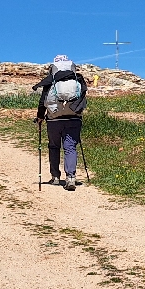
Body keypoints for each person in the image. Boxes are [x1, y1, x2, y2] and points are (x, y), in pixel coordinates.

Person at [33, 55, 88, 191]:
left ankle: (56, 177)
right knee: (70, 147)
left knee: (54, 146)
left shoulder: (51, 80)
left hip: (54, 119)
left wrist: (40, 117)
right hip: (73, 119)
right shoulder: (77, 79)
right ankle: (70, 177)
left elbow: (43, 101)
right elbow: (83, 97)